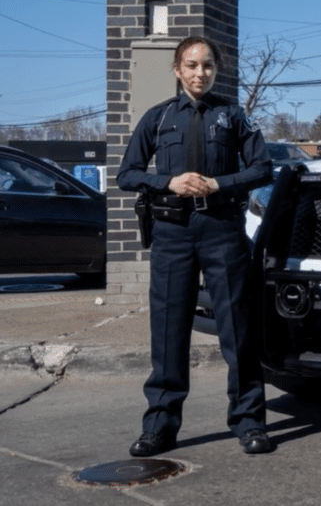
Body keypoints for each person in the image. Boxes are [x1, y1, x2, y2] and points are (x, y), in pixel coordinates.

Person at [117, 36, 274, 455]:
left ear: (215, 70)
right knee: (168, 332)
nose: (199, 73)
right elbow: (127, 173)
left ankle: (249, 423)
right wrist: (167, 181)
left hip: (222, 228)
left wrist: (221, 183)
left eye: (207, 65)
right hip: (172, 233)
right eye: (191, 65)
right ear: (177, 70)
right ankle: (160, 426)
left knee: (237, 329)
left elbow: (263, 167)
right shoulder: (158, 117)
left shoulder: (233, 116)